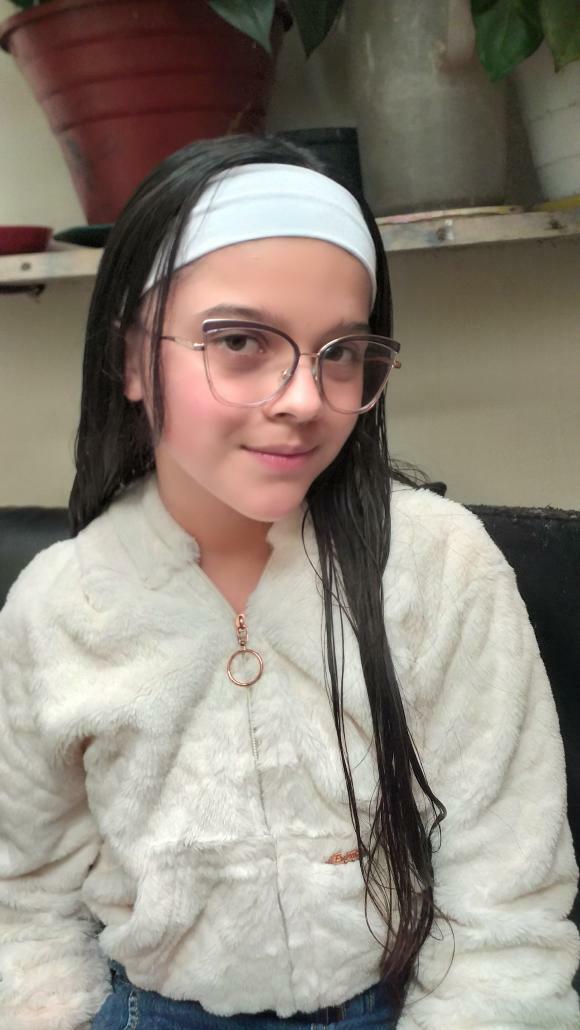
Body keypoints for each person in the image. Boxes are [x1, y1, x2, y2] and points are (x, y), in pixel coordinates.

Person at [0, 134, 578, 1030]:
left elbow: (506, 895)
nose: (305, 398)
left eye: (341, 352)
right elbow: (22, 895)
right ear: (132, 360)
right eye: (239, 341)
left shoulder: (438, 567)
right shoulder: (58, 606)